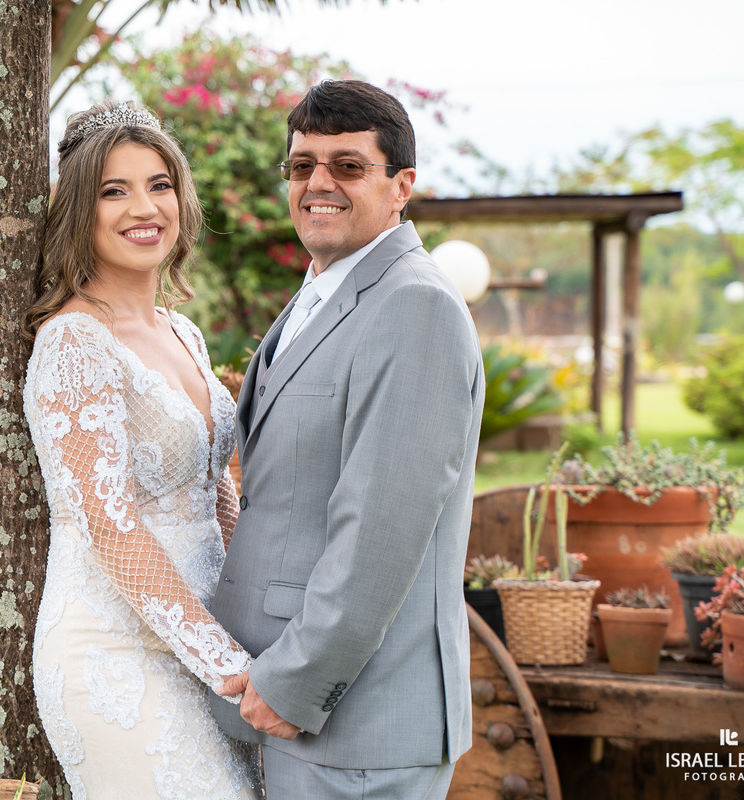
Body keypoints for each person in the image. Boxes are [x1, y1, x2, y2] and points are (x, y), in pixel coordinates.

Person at [209, 79, 485, 799]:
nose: (318, 183)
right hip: (295, 718)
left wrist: (295, 681)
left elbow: (382, 530)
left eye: (347, 166)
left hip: (359, 724)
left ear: (402, 186)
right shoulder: (321, 292)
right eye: (302, 166)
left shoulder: (415, 304)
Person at [21, 99, 261, 800]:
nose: (143, 207)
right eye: (113, 191)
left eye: (158, 184)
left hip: (211, 638)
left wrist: (259, 619)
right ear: (79, 212)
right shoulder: (73, 342)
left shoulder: (182, 333)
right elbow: (109, 524)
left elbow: (213, 486)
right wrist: (224, 662)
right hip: (114, 652)